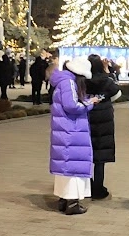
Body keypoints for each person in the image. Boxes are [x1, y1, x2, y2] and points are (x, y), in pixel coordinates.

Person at [49, 57, 100, 215]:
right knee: (74, 168)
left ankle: (64, 200)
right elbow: (72, 106)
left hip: (65, 130)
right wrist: (90, 103)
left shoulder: (63, 81)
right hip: (72, 131)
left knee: (66, 167)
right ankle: (72, 203)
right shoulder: (69, 82)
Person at [86, 54, 122, 200]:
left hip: (87, 116)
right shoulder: (107, 81)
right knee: (100, 158)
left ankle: (87, 186)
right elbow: (117, 92)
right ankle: (98, 189)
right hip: (104, 119)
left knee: (86, 154)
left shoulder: (83, 80)